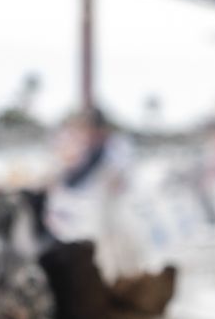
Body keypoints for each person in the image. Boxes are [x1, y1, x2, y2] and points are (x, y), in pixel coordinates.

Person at [45, 108, 143, 276]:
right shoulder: (90, 149)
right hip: (94, 213)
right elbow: (74, 179)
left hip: (118, 210)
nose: (86, 134)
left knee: (120, 253)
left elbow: (119, 179)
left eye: (87, 129)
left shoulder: (115, 146)